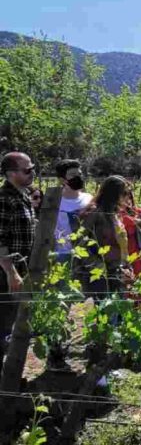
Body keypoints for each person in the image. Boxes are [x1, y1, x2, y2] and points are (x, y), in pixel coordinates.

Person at [0, 152, 37, 375]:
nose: (32, 172)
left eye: (32, 168)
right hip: (5, 273)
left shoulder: (23, 195)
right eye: (27, 170)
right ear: (11, 174)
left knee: (13, 323)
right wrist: (10, 272)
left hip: (21, 269)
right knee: (3, 324)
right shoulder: (4, 198)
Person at [77, 175, 133, 303]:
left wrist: (128, 266)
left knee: (120, 312)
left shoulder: (115, 214)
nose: (127, 196)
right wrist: (95, 265)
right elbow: (80, 243)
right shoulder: (95, 213)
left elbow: (123, 245)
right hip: (102, 272)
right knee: (106, 313)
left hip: (119, 270)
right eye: (124, 193)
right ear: (113, 194)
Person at [54, 160, 93, 264]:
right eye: (73, 175)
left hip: (85, 253)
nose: (78, 177)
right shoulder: (54, 201)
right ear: (62, 180)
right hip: (61, 253)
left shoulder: (89, 199)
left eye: (80, 174)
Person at [120, 186, 141, 306]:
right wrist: (135, 221)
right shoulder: (113, 213)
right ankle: (122, 312)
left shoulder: (133, 211)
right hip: (121, 255)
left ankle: (136, 310)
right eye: (125, 196)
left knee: (138, 282)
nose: (128, 199)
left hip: (136, 255)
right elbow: (123, 221)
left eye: (129, 196)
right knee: (124, 282)